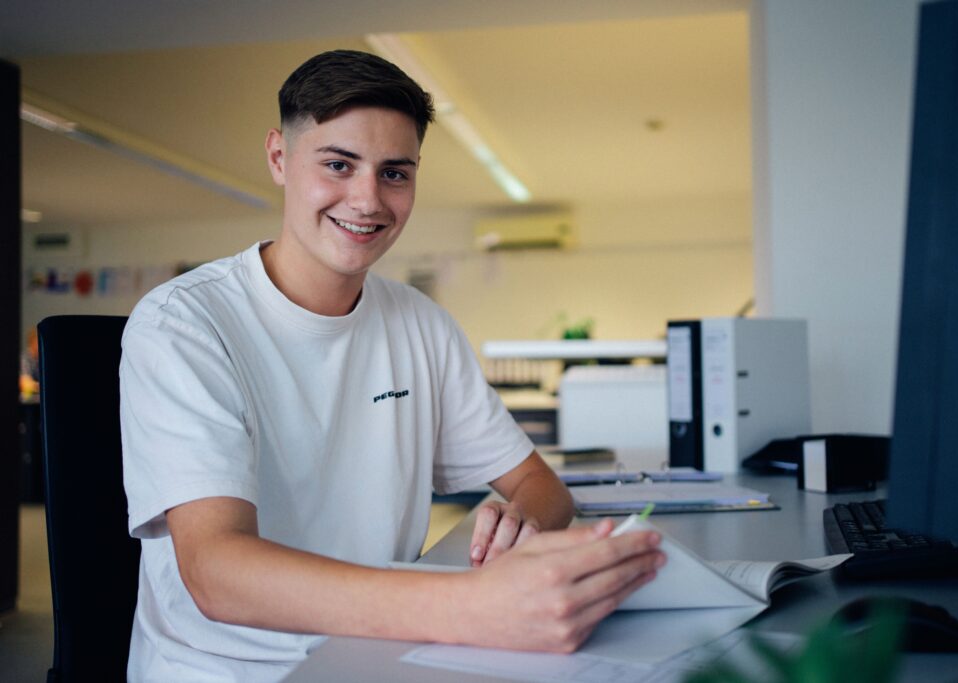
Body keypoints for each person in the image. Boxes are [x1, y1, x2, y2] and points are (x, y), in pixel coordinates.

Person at [120, 49, 665, 682]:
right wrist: (469, 606)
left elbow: (541, 486)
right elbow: (217, 572)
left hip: (387, 653)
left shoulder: (420, 323)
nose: (368, 199)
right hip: (233, 671)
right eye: (337, 164)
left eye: (395, 173)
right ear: (278, 157)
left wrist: (521, 524)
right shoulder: (184, 323)